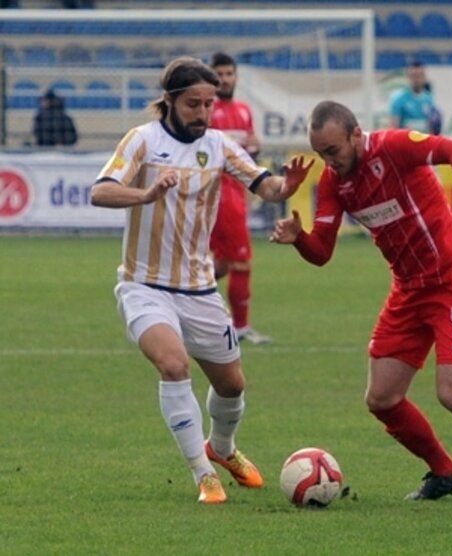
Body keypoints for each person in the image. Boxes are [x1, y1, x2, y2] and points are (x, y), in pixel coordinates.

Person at [270, 101, 452, 500]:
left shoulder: (393, 148)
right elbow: (322, 253)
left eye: (333, 150)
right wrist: (299, 238)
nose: (329, 162)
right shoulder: (334, 182)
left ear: (354, 134)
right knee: (381, 399)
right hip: (407, 290)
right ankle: (446, 472)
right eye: (321, 154)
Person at [91, 57, 312, 504]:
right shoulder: (143, 141)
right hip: (144, 285)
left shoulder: (220, 144)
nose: (204, 113)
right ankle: (202, 472)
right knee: (174, 366)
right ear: (170, 100)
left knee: (232, 385)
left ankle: (223, 449)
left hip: (199, 288)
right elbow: (100, 190)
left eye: (210, 104)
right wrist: (146, 193)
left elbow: (263, 185)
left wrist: (285, 188)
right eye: (194, 104)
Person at [208, 52, 270, 345]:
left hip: (237, 190)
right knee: (241, 261)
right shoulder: (207, 111)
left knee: (221, 264)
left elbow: (249, 150)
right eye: (219, 74)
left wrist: (255, 147)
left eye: (229, 73)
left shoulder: (244, 111)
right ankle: (241, 328)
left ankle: (174, 293)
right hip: (219, 193)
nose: (225, 79)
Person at [388, 60, 442, 135]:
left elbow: (431, 126)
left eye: (419, 76)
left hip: (424, 143)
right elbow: (393, 126)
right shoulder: (398, 99)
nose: (416, 79)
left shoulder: (429, 98)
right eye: (413, 76)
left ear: (424, 77)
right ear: (408, 77)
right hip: (405, 143)